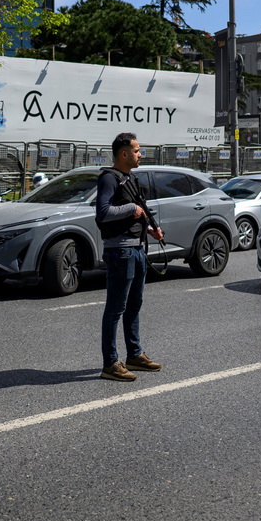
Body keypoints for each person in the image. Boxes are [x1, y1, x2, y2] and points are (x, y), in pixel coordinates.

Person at [95, 132, 164, 382]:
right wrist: (132, 209)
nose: (140, 154)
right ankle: (110, 363)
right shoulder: (109, 179)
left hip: (137, 249)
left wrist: (149, 229)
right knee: (115, 309)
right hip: (120, 251)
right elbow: (103, 212)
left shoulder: (130, 178)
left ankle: (134, 354)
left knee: (134, 306)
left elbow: (133, 216)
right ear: (123, 153)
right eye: (136, 150)